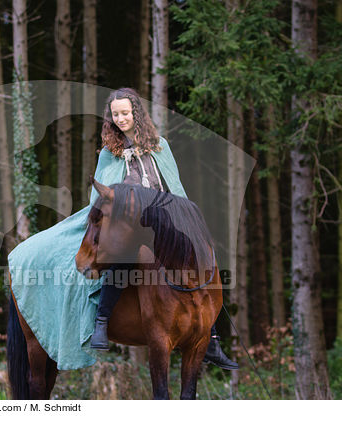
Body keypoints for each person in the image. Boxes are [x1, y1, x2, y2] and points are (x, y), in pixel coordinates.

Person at [88, 88, 238, 371]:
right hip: (130, 222)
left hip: (163, 220)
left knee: (203, 257)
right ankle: (102, 321)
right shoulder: (109, 153)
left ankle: (212, 338)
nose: (120, 119)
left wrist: (186, 219)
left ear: (136, 113)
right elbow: (102, 193)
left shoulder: (159, 145)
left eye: (125, 113)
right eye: (115, 114)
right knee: (119, 260)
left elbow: (173, 186)